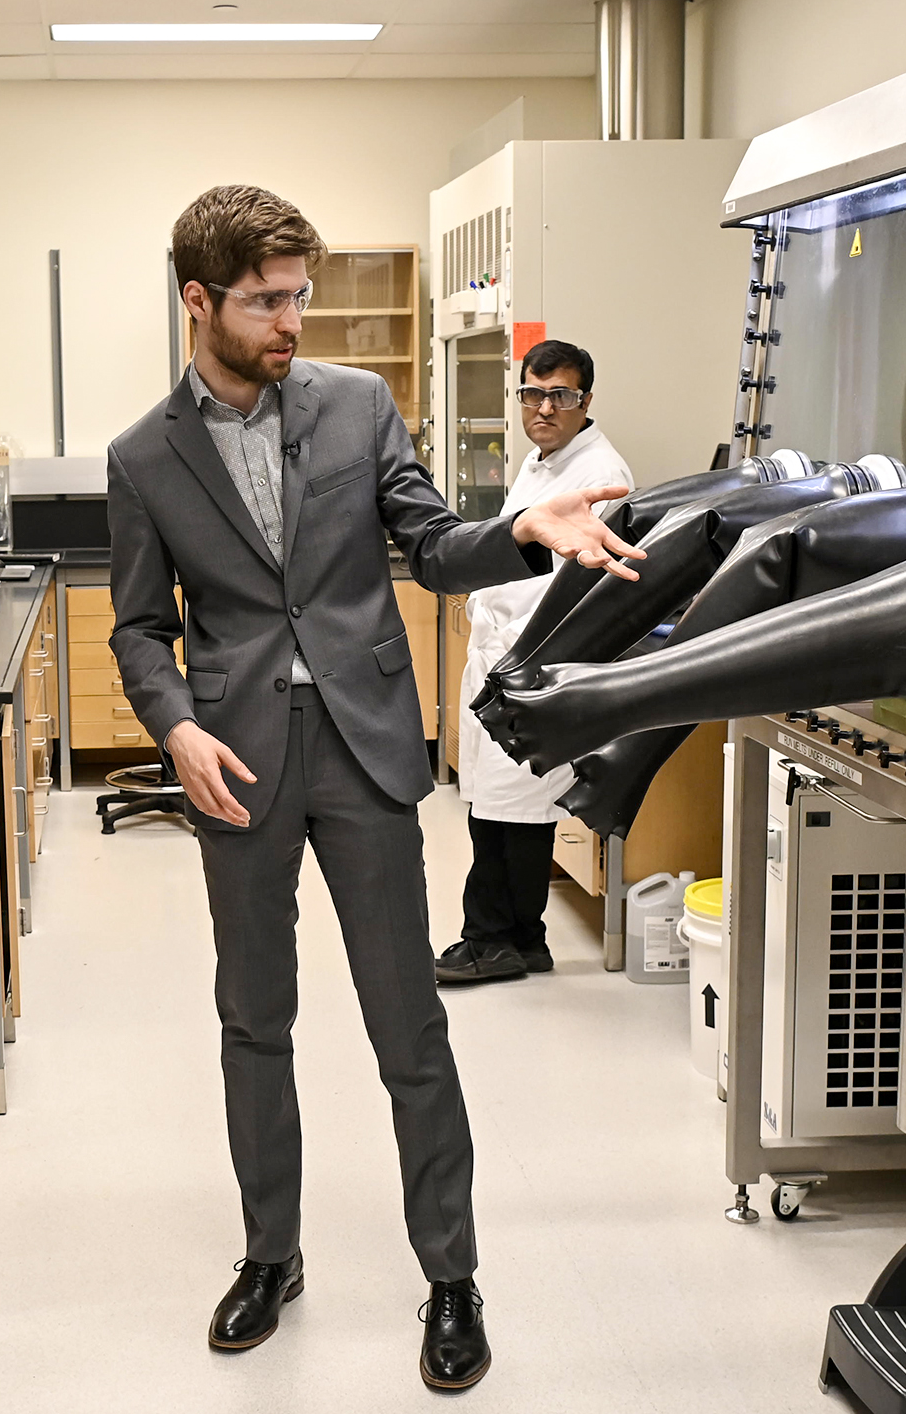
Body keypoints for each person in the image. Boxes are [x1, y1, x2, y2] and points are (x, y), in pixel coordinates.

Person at [107, 185, 641, 1392]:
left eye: (302, 294)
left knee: (409, 1022)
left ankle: (451, 1276)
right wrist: (176, 728)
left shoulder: (356, 408)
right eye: (268, 300)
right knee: (255, 1018)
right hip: (237, 758)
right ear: (200, 301)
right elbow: (140, 629)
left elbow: (432, 543)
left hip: (364, 748)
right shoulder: (144, 456)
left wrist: (524, 534)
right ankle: (269, 1255)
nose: (295, 318)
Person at [437, 340, 632, 985]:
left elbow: (568, 586)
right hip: (502, 658)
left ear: (586, 402)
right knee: (495, 811)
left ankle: (492, 940)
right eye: (532, 393)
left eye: (561, 395)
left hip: (535, 662)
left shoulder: (600, 474)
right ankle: (522, 938)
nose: (544, 407)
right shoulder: (541, 462)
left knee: (513, 815)